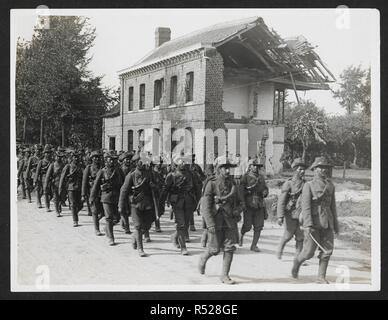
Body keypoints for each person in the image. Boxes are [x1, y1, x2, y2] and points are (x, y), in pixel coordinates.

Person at [291, 157, 339, 284]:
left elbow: (332, 206)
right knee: (308, 253)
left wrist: (336, 225)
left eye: (326, 167)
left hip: (327, 221)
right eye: (320, 167)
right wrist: (307, 224)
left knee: (328, 250)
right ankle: (297, 263)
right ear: (314, 169)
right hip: (313, 222)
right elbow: (306, 207)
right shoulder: (309, 185)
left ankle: (321, 277)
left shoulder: (330, 186)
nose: (323, 170)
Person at [198, 161, 240, 284]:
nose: (227, 171)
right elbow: (206, 207)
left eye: (229, 169)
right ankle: (204, 258)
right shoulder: (211, 184)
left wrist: (237, 210)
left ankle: (225, 275)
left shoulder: (234, 184)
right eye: (225, 168)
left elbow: (240, 202)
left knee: (229, 248)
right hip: (216, 221)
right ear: (219, 169)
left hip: (230, 220)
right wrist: (210, 223)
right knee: (214, 249)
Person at [160, 155, 201, 255]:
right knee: (181, 224)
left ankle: (175, 236)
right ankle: (183, 247)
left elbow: (197, 189)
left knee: (186, 224)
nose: (183, 163)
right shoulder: (171, 175)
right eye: (180, 161)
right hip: (177, 202)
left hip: (189, 202)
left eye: (184, 161)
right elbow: (165, 190)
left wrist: (198, 202)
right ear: (176, 162)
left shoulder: (192, 174)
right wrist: (161, 204)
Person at [118, 153, 156, 256]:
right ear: (135, 163)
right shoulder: (131, 175)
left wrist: (154, 186)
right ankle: (140, 248)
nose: (143, 163)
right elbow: (124, 191)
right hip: (135, 204)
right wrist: (120, 205)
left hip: (148, 204)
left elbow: (158, 186)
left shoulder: (150, 173)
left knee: (147, 225)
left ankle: (135, 237)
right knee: (138, 226)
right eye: (140, 161)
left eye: (144, 161)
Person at [90, 151, 123, 245]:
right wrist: (91, 198)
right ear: (106, 160)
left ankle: (107, 228)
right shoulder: (102, 171)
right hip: (106, 197)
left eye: (114, 160)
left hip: (117, 197)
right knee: (108, 217)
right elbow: (95, 186)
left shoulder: (119, 171)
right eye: (110, 160)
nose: (112, 162)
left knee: (117, 218)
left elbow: (124, 184)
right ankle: (111, 238)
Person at [276, 158, 307, 260]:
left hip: (302, 214)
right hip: (290, 213)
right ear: (295, 170)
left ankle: (298, 257)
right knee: (288, 235)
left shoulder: (306, 184)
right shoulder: (288, 184)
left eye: (303, 169)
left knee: (300, 237)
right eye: (299, 169)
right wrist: (280, 216)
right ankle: (279, 251)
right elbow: (281, 201)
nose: (302, 171)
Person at [239, 158, 269, 252]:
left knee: (259, 226)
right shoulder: (245, 177)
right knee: (247, 226)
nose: (256, 168)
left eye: (258, 166)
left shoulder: (261, 178)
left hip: (259, 204)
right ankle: (242, 234)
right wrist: (243, 203)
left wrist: (265, 192)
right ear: (250, 166)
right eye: (254, 165)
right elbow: (240, 191)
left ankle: (254, 245)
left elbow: (265, 188)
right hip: (249, 204)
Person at [59, 150, 84, 227]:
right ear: (72, 158)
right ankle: (75, 220)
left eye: (77, 157)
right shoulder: (68, 166)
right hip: (71, 187)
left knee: (80, 205)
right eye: (74, 157)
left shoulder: (81, 166)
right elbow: (62, 177)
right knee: (73, 204)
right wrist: (60, 187)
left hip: (79, 188)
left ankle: (74, 213)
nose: (76, 158)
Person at [82, 150, 104, 236]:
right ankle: (97, 229)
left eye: (98, 157)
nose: (96, 159)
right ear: (92, 159)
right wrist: (83, 194)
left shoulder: (103, 168)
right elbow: (84, 181)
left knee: (103, 212)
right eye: (94, 157)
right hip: (92, 191)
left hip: (102, 192)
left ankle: (96, 220)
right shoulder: (89, 168)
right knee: (94, 211)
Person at [45, 147, 66, 217]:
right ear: (55, 157)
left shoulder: (64, 165)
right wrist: (46, 185)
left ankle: (59, 206)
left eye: (61, 157)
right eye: (58, 157)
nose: (59, 158)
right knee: (56, 197)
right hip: (55, 184)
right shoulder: (52, 165)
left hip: (63, 184)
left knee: (62, 197)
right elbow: (48, 176)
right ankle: (57, 210)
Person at [34, 145, 54, 212]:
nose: (48, 154)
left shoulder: (52, 161)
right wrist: (36, 179)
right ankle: (47, 206)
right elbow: (37, 171)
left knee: (51, 193)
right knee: (45, 192)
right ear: (44, 153)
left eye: (49, 153)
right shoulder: (41, 162)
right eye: (47, 153)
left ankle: (41, 200)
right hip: (43, 178)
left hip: (52, 178)